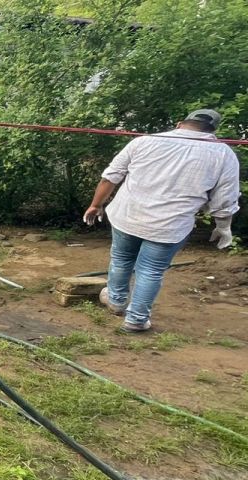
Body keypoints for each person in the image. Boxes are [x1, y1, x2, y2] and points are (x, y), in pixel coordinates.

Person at [84, 109, 240, 333]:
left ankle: (116, 301)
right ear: (214, 131)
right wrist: (223, 227)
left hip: (128, 215)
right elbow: (225, 199)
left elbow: (111, 175)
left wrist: (96, 205)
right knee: (151, 270)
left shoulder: (145, 142)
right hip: (169, 225)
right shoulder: (223, 154)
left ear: (179, 124)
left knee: (121, 258)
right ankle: (136, 319)